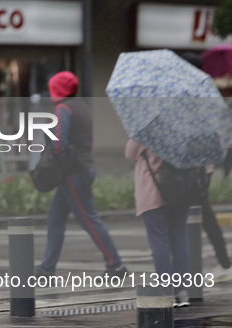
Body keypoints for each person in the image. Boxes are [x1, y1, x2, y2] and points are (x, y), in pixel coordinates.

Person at [35, 72, 127, 279]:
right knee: (55, 218)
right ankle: (47, 268)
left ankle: (116, 265)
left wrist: (51, 162)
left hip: (72, 171)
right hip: (81, 168)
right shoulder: (81, 106)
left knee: (89, 219)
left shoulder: (62, 108)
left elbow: (59, 142)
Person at [180, 52, 232, 276]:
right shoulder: (205, 90)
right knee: (198, 213)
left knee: (198, 213)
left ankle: (214, 264)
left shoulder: (195, 92)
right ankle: (220, 262)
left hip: (197, 164)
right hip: (201, 163)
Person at [125, 139, 190, 307]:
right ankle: (180, 291)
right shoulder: (185, 125)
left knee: (159, 241)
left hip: (152, 191)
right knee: (180, 240)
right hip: (180, 190)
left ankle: (165, 290)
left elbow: (130, 153)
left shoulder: (148, 126)